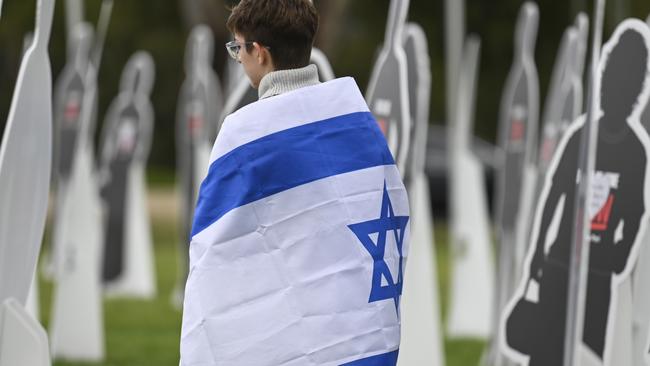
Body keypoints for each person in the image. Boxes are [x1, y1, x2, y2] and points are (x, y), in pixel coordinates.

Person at [179, 1, 410, 365]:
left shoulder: (245, 134)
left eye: (238, 47)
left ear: (260, 53)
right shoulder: (356, 120)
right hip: (352, 329)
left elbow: (215, 250)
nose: (238, 58)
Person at [503, 23, 650, 366]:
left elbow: (635, 212)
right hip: (560, 265)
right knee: (546, 355)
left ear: (636, 90)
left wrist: (617, 256)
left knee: (583, 356)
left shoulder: (633, 152)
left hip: (596, 276)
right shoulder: (582, 137)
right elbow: (554, 195)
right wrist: (540, 252)